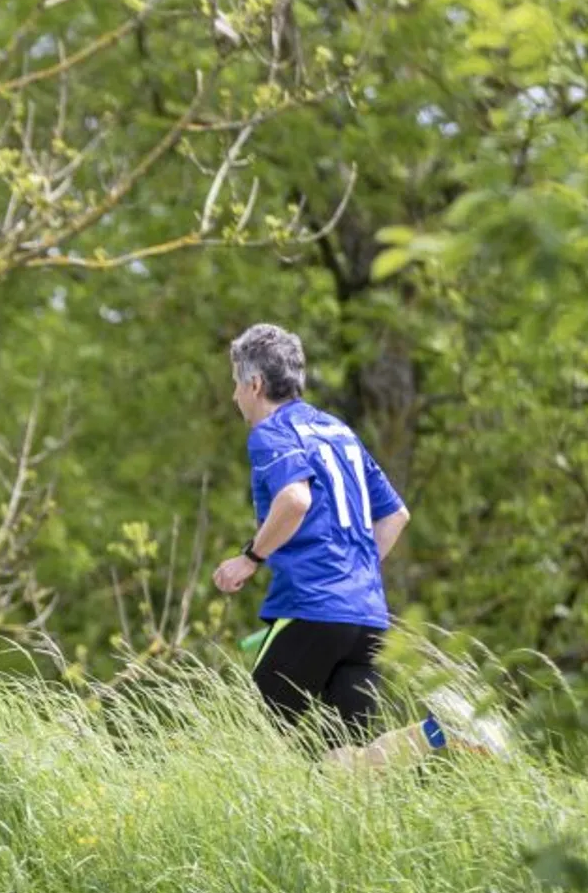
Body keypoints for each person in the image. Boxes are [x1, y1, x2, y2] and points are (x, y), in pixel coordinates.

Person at [212, 324, 502, 768]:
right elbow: (395, 515)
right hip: (366, 619)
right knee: (351, 764)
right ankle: (437, 731)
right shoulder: (338, 432)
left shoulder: (270, 434)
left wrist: (249, 558)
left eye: (236, 384)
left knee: (251, 743)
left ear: (254, 384)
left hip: (311, 611)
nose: (234, 397)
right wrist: (355, 575)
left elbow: (294, 498)